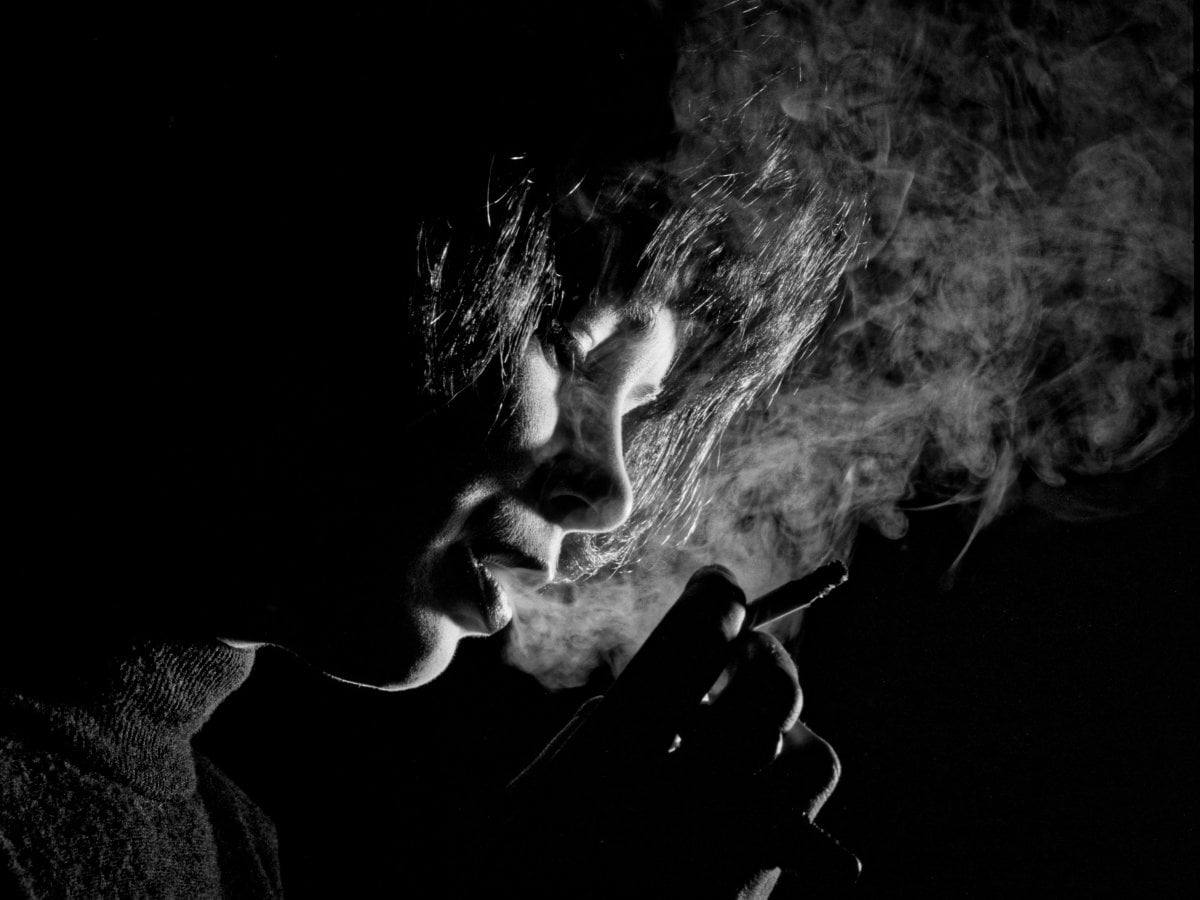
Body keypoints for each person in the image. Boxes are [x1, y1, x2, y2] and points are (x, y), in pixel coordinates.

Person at [4, 3, 857, 896]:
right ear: (332, 233)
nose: (612, 496)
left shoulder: (230, 846)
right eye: (569, 350)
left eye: (635, 409)